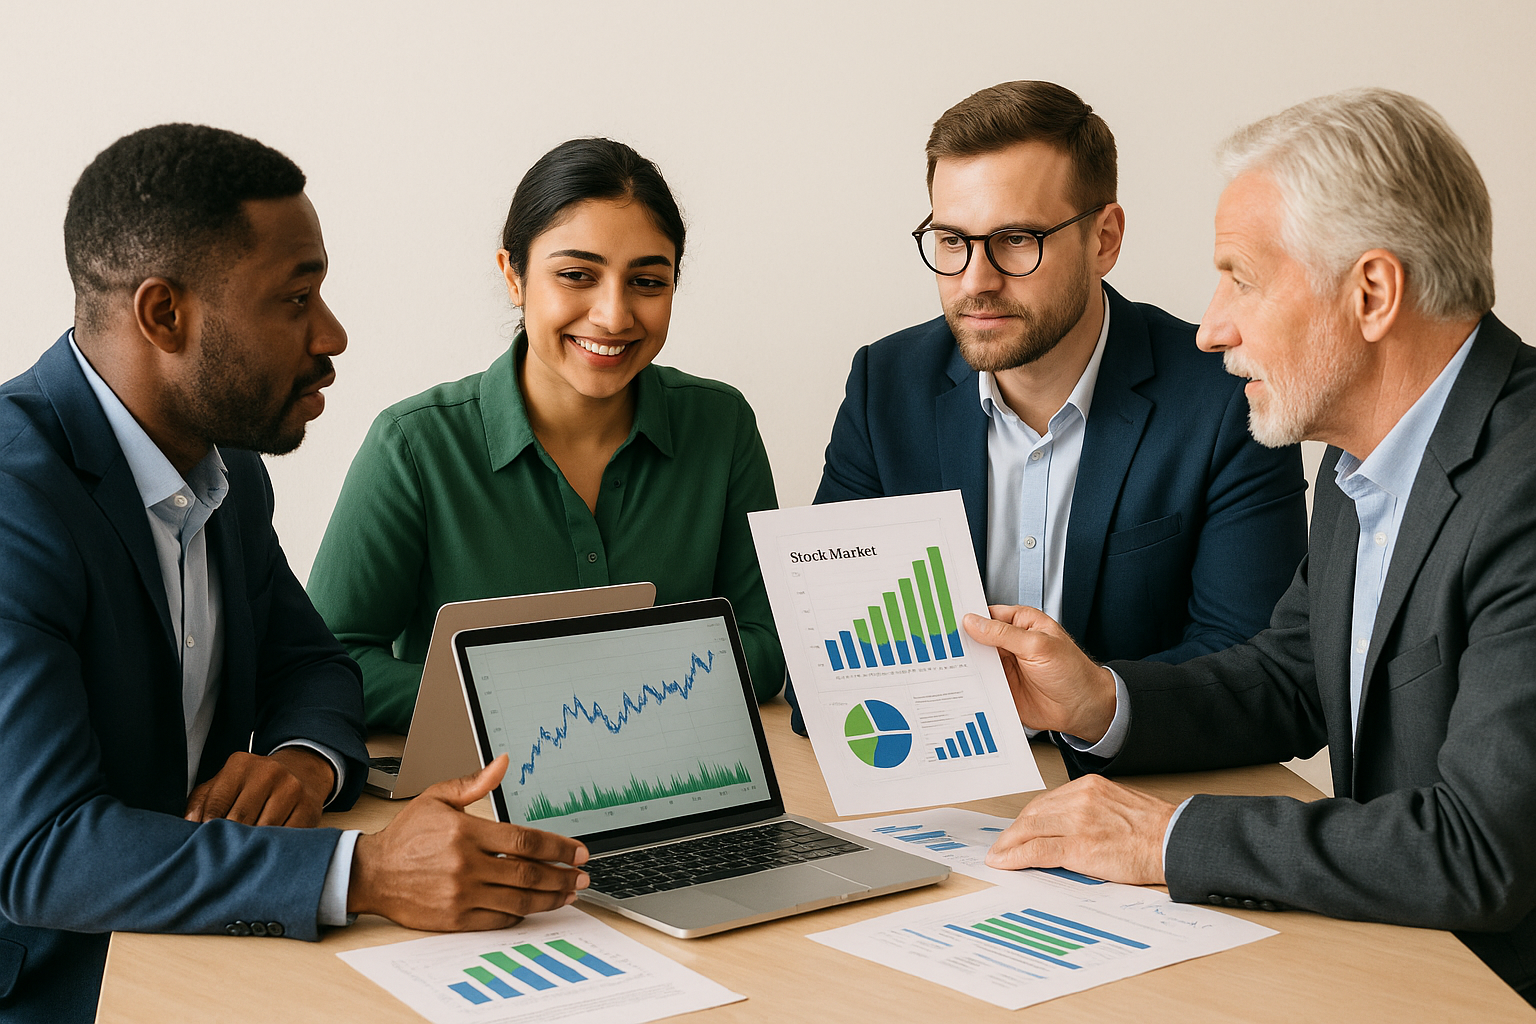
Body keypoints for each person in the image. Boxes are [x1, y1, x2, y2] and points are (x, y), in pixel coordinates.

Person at [0, 125, 590, 1024]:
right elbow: (40, 852)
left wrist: (303, 763)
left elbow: (312, 665)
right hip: (63, 980)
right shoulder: (15, 501)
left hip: (210, 940)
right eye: (295, 298)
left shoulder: (226, 469)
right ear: (165, 315)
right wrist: (366, 871)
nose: (333, 333)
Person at [965, 88, 1536, 1002]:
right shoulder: (1366, 459)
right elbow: (1294, 679)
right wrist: (1097, 701)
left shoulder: (1524, 484)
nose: (1210, 327)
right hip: (1401, 962)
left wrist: (1167, 838)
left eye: (1241, 276)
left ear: (1373, 293)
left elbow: (1480, 851)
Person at [788, 81, 1308, 733]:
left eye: (1015, 239)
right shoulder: (884, 387)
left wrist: (1100, 704)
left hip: (1134, 792)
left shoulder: (1225, 394)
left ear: (1104, 239)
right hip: (937, 783)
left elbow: (1264, 675)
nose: (976, 280)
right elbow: (821, 665)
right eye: (951, 241)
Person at [308, 138, 784, 733]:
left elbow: (769, 645)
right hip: (479, 795)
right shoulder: (414, 445)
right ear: (514, 275)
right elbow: (327, 665)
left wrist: (583, 690)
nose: (613, 316)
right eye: (576, 275)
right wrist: (528, 698)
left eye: (647, 282)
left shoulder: (722, 423)